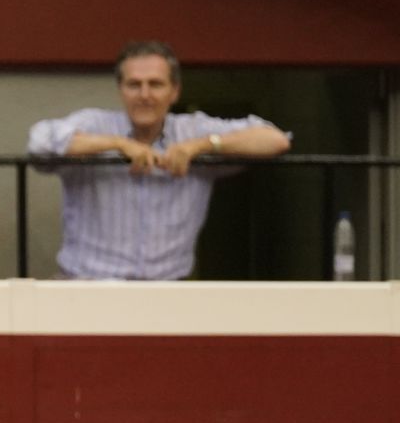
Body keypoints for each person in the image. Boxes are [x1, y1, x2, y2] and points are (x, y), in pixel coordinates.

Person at [27, 40, 291, 280]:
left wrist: (201, 146)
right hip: (85, 286)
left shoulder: (193, 130)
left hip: (166, 293)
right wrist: (117, 144)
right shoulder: (95, 123)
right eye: (134, 84)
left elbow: (276, 140)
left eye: (155, 84)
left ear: (174, 92)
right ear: (121, 90)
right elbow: (39, 142)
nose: (144, 95)